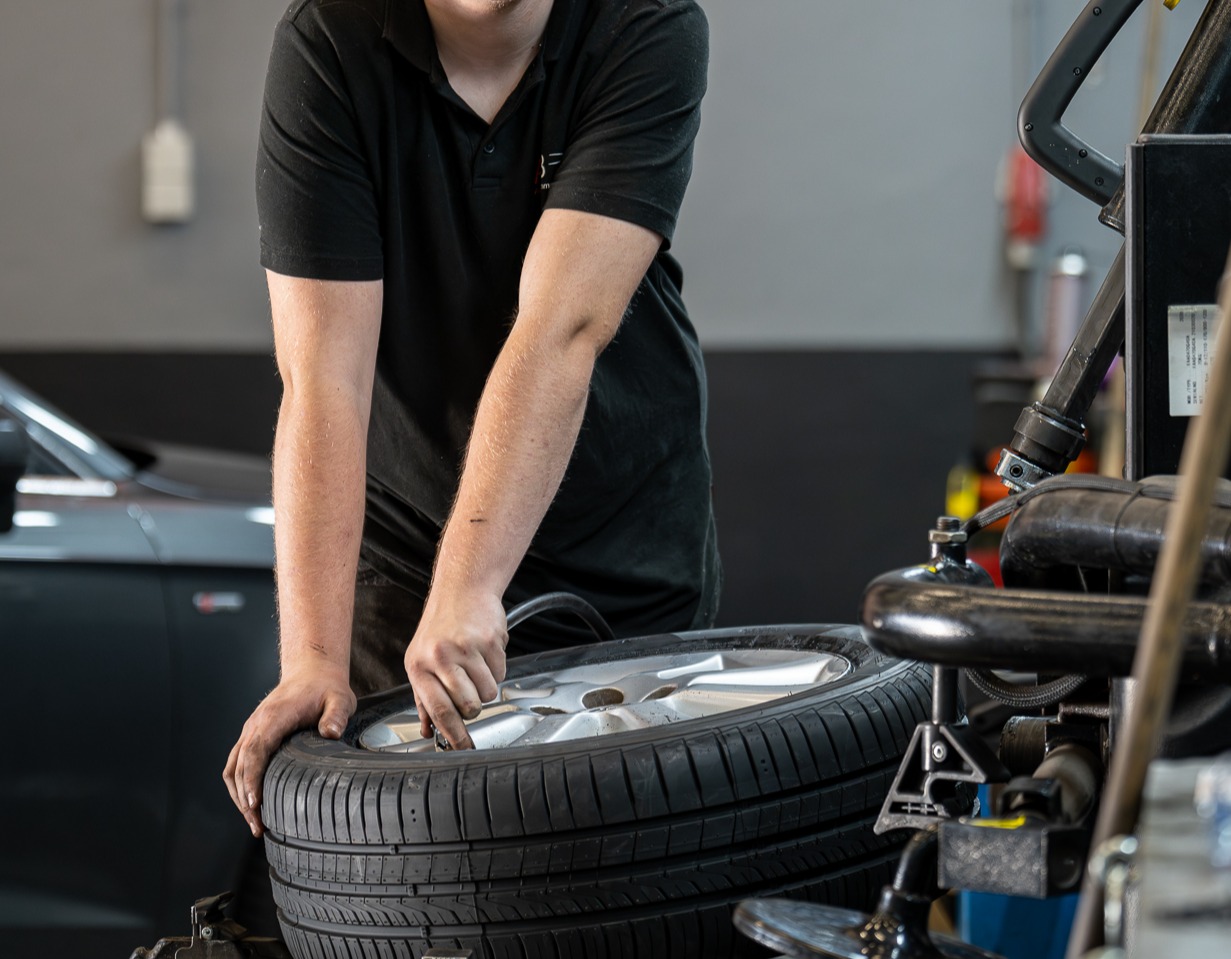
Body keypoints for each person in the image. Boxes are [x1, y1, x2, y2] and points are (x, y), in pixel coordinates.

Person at [223, 0, 720, 839]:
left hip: (623, 542)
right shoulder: (330, 42)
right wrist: (310, 658)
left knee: (635, 864)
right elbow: (324, 380)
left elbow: (560, 330)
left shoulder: (644, 23)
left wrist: (471, 585)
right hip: (405, 552)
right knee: (407, 864)